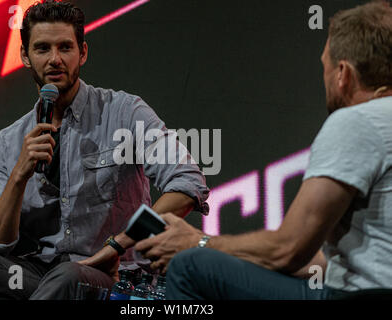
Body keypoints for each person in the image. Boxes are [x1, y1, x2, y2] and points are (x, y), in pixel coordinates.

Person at [0, 1, 209, 300]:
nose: (55, 59)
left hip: (111, 275)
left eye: (65, 48)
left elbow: (187, 183)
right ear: (25, 56)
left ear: (82, 52)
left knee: (69, 276)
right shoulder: (9, 141)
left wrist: (118, 245)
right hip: (33, 275)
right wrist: (19, 176)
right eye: (43, 49)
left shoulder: (124, 113)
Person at [135, 1, 392, 299]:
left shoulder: (358, 121)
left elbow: (289, 249)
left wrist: (198, 243)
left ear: (343, 73)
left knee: (191, 267)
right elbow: (320, 262)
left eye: (325, 67)